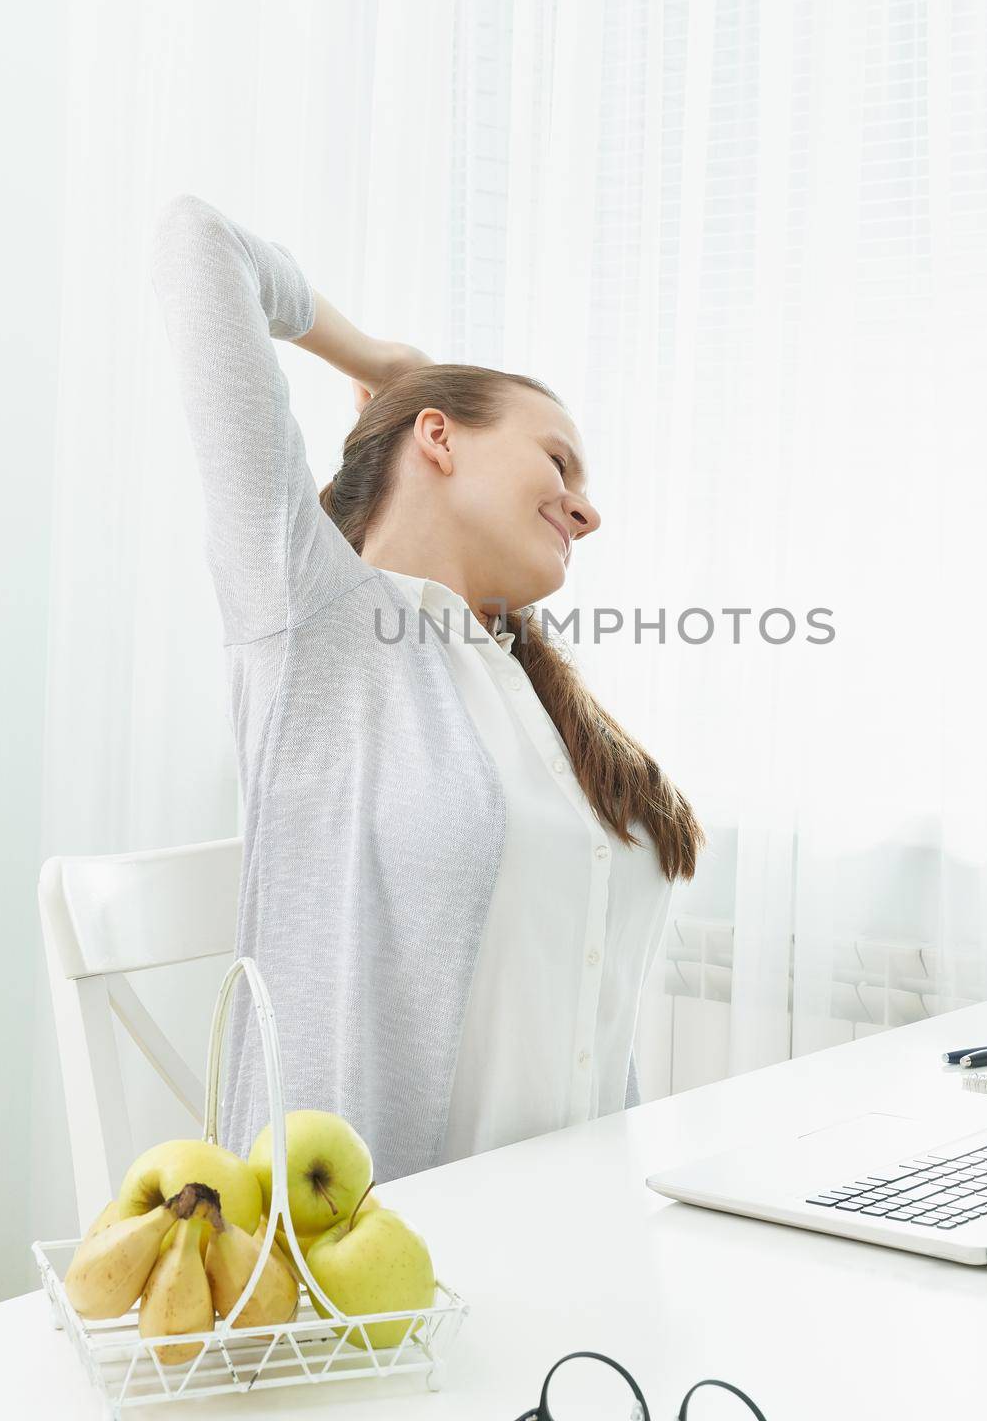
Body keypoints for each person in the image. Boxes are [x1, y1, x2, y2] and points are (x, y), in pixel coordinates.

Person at [148, 193, 705, 1180]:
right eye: (558, 458)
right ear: (437, 438)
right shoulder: (314, 614)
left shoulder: (518, 690)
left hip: (580, 1251)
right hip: (377, 1284)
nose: (588, 509)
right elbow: (198, 243)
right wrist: (377, 364)